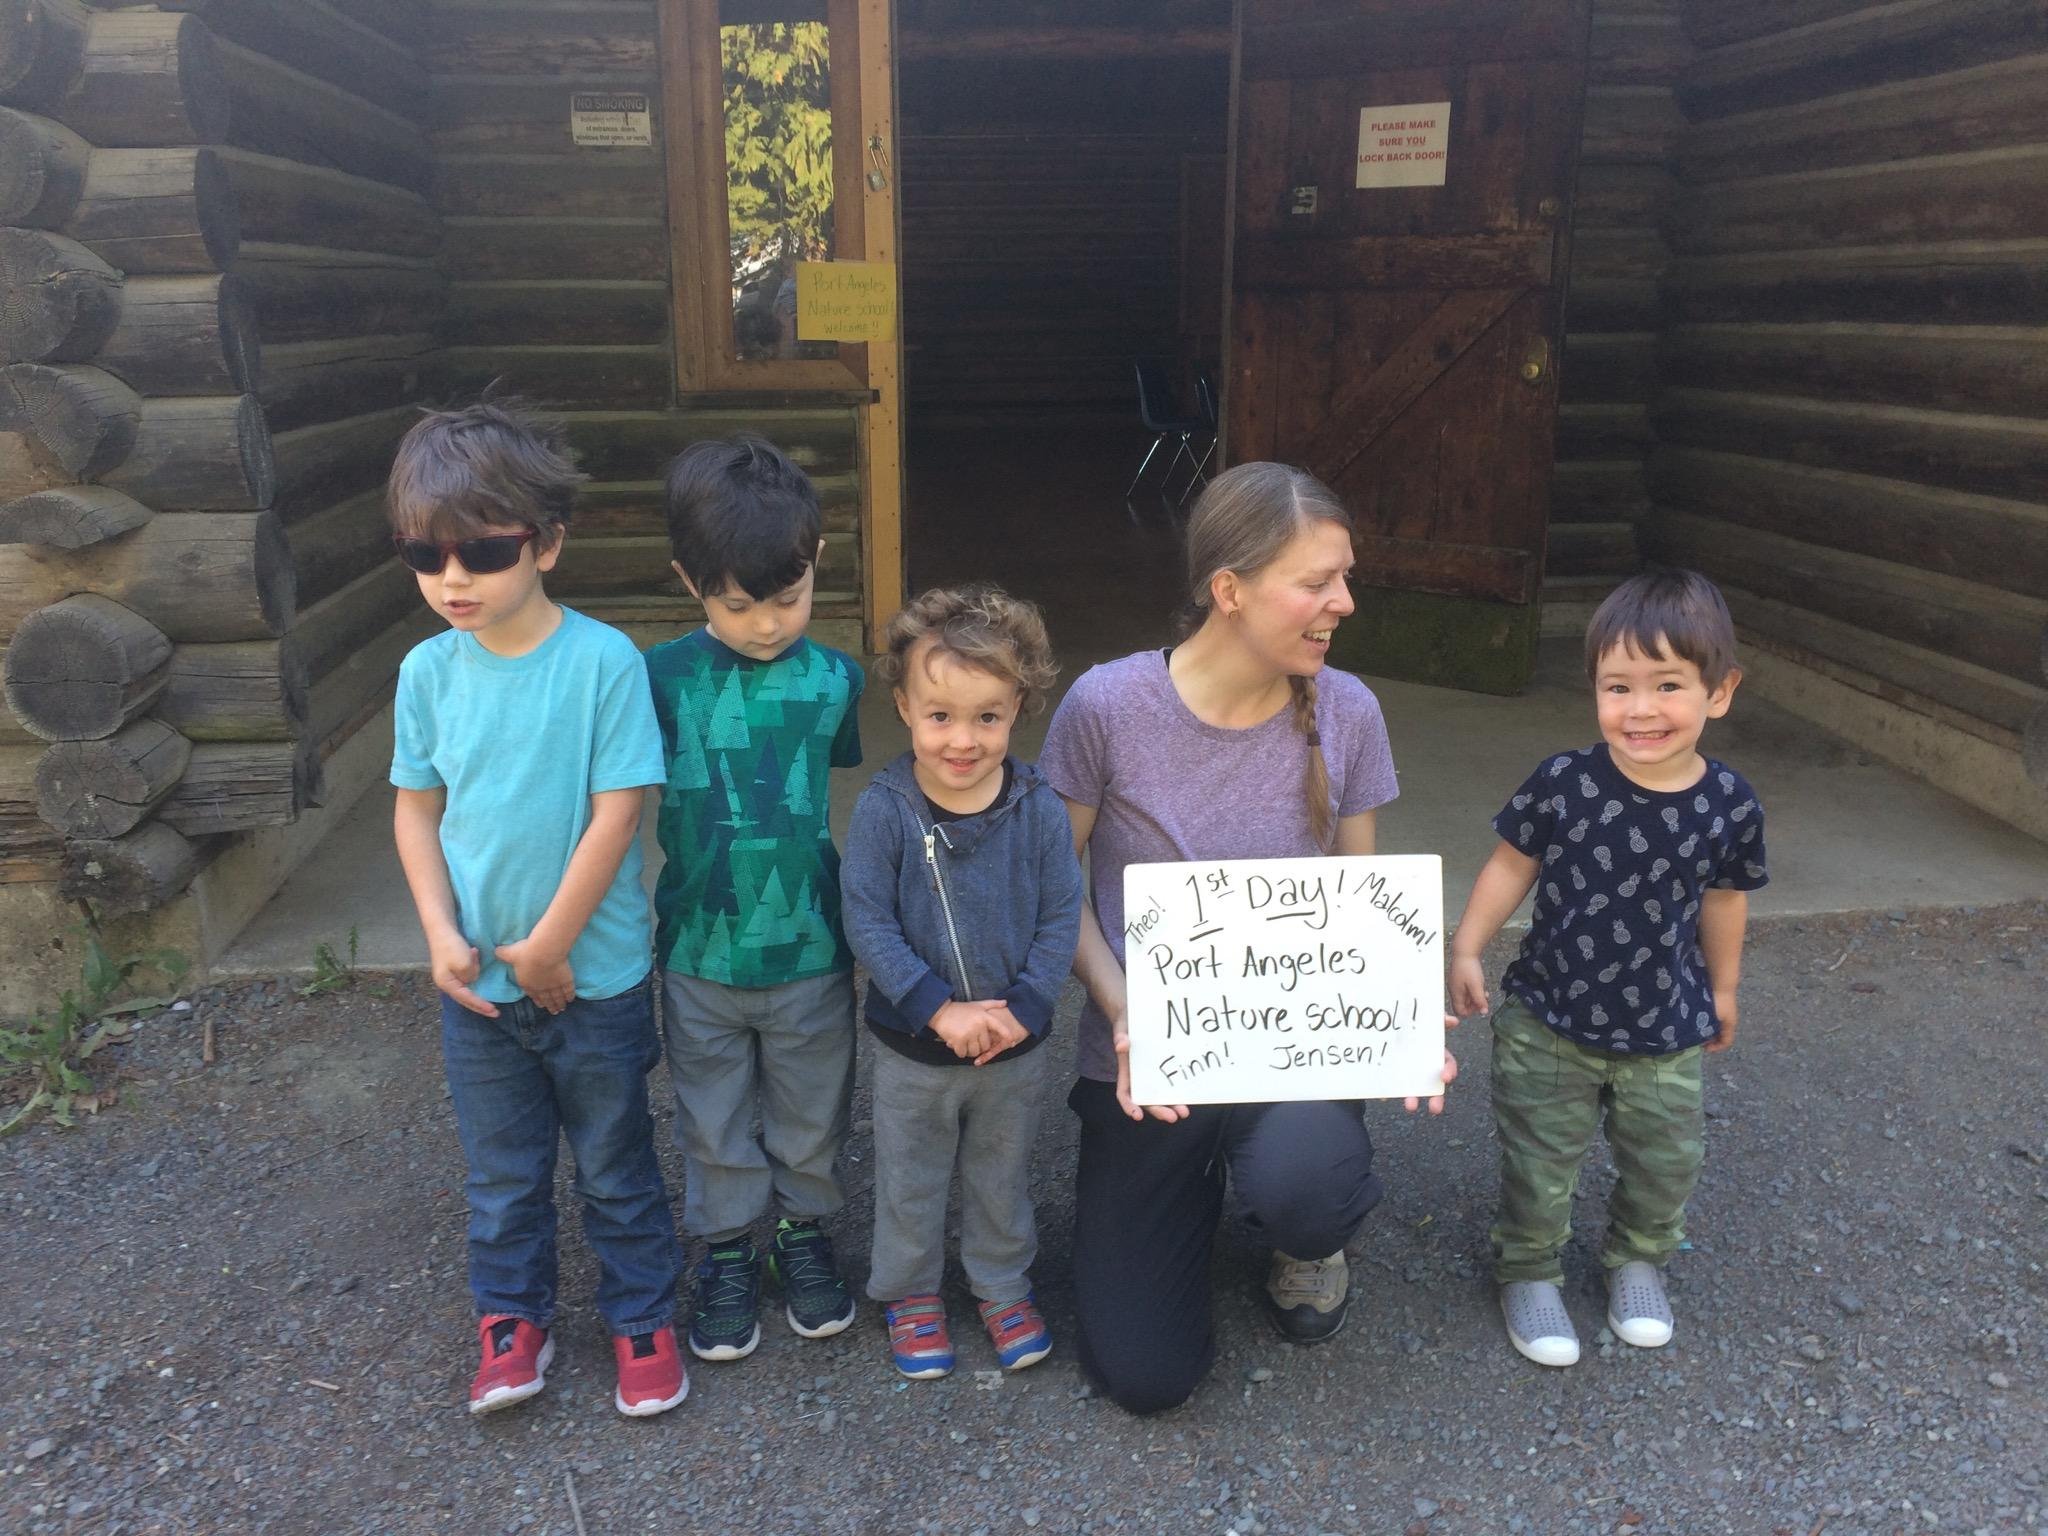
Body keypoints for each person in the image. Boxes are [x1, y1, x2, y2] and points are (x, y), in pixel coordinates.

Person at [1036, 461, 1457, 1415]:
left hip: (1292, 1049)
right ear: (1228, 591)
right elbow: (1058, 880)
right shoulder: (1106, 708)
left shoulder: (1348, 710)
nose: (1343, 602)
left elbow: (1364, 898)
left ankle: (1304, 1238)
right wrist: (1120, 1002)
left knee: (1310, 1184)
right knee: (1146, 1373)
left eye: (1345, 576)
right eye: (1317, 581)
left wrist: (1401, 1017)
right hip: (1154, 1059)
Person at [386, 400, 686, 1418]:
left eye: (482, 551)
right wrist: (436, 933)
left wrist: (552, 944)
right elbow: (416, 811)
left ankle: (642, 1315)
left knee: (613, 1162)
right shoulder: (425, 674)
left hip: (590, 981)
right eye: (426, 558)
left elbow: (618, 814)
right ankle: (509, 1322)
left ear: (547, 543)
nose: (453, 579)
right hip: (477, 991)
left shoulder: (602, 663)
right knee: (503, 1177)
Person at [1448, 568, 1767, 1368]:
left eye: (1667, 685)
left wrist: (1723, 988)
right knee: (1538, 1157)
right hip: (1549, 1021)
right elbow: (1510, 865)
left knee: (1666, 1160)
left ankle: (1637, 1259)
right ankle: (1528, 1269)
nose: (1641, 709)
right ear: (1594, 688)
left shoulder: (1730, 803)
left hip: (1666, 1028)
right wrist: (1466, 946)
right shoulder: (1565, 782)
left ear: (1719, 691)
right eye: (1618, 686)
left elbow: (1726, 900)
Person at [647, 434, 866, 1363]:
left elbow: (836, 778)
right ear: (688, 581)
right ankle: (730, 1246)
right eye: (737, 605)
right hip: (698, 948)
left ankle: (803, 1233)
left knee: (813, 1106)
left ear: (817, 565)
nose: (768, 624)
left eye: (789, 598)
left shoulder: (837, 679)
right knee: (712, 1111)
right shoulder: (654, 680)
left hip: (813, 948)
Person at [840, 586, 1084, 1380]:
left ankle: (1001, 1284)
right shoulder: (886, 809)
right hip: (915, 1047)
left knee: (999, 1174)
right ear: (905, 706)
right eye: (940, 714)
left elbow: (1060, 912)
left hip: (1013, 1046)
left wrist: (1028, 1005)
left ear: (1020, 705)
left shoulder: (1040, 807)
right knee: (909, 1176)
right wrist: (935, 1008)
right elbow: (867, 919)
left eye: (988, 716)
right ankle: (910, 1292)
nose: (963, 739)